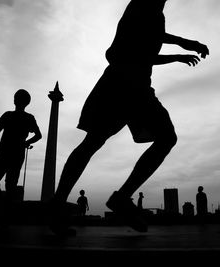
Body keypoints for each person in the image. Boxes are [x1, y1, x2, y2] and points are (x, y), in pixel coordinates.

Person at [50, 0, 209, 234]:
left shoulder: (153, 12)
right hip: (126, 84)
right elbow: (139, 51)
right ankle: (112, 199)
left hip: (131, 84)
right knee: (103, 142)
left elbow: (148, 47)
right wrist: (181, 48)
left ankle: (110, 199)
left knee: (96, 142)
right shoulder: (142, 6)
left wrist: (180, 49)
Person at [0, 89, 42, 215]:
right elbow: (38, 135)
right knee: (10, 184)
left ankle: (1, 205)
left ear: (16, 100)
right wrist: (27, 142)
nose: (14, 99)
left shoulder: (8, 115)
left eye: (15, 97)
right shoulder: (29, 118)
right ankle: (6, 210)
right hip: (17, 153)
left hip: (4, 151)